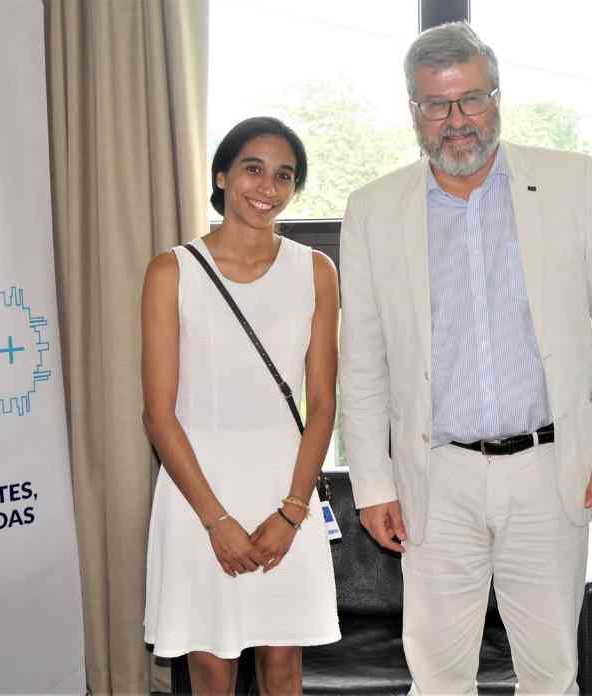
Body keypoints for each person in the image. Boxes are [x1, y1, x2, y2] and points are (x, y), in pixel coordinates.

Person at [338, 22, 592, 694]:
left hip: (550, 470)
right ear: (413, 111)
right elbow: (361, 363)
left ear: (497, 98)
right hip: (434, 476)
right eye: (436, 104)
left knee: (550, 672)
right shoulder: (372, 210)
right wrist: (373, 487)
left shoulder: (571, 181)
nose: (456, 121)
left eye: (471, 99)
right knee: (438, 676)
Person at [141, 116, 341, 695]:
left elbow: (322, 403)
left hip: (285, 490)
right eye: (253, 169)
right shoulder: (171, 270)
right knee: (210, 668)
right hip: (197, 493)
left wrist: (293, 511)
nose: (267, 187)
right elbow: (158, 414)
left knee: (283, 666)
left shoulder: (316, 270)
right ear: (222, 176)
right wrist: (216, 520)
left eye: (284, 175)